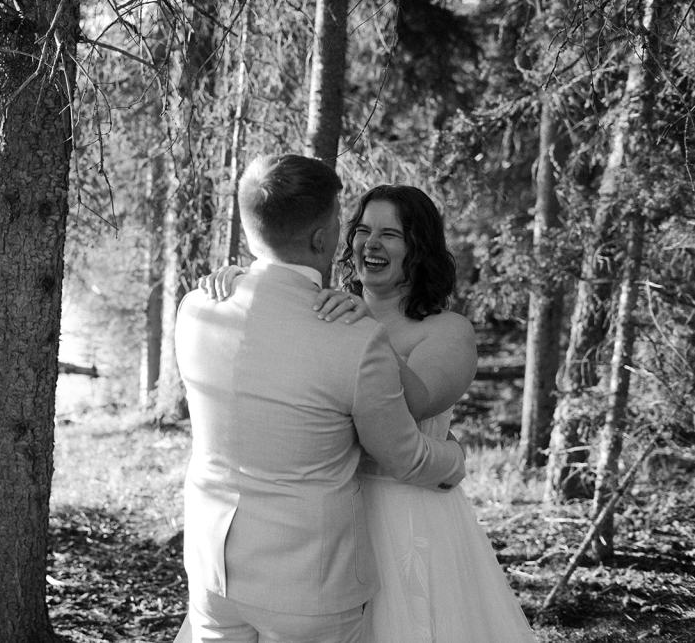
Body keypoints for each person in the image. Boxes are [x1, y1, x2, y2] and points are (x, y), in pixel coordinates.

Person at [198, 183, 537, 641]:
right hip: (324, 523)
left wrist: (366, 331)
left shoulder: (447, 330)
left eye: (390, 235)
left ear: (419, 247)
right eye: (362, 230)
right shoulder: (326, 310)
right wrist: (246, 283)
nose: (371, 244)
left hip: (408, 518)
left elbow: (411, 404)